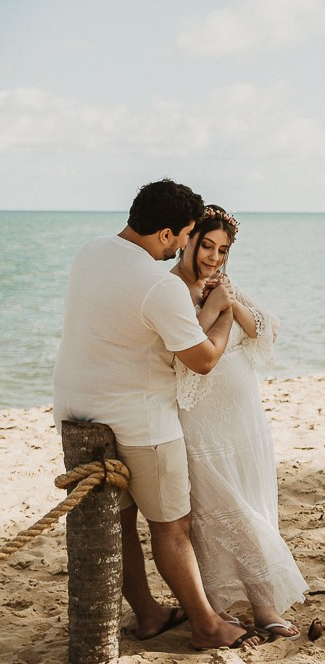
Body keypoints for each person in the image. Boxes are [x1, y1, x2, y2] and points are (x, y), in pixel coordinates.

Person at [52, 180, 261, 651]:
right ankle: (208, 625)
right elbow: (203, 359)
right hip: (138, 417)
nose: (189, 244)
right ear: (168, 234)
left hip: (74, 407)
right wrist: (224, 313)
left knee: (119, 521)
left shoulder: (90, 252)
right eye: (188, 234)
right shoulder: (156, 286)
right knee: (171, 526)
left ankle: (147, 613)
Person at [171, 205, 308, 639]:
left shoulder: (224, 284)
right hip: (199, 421)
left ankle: (261, 604)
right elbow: (181, 348)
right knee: (219, 512)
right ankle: (227, 608)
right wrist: (217, 309)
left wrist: (230, 304)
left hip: (244, 421)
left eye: (223, 250)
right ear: (188, 240)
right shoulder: (169, 288)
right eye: (206, 246)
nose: (213, 257)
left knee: (253, 505)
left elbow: (266, 329)